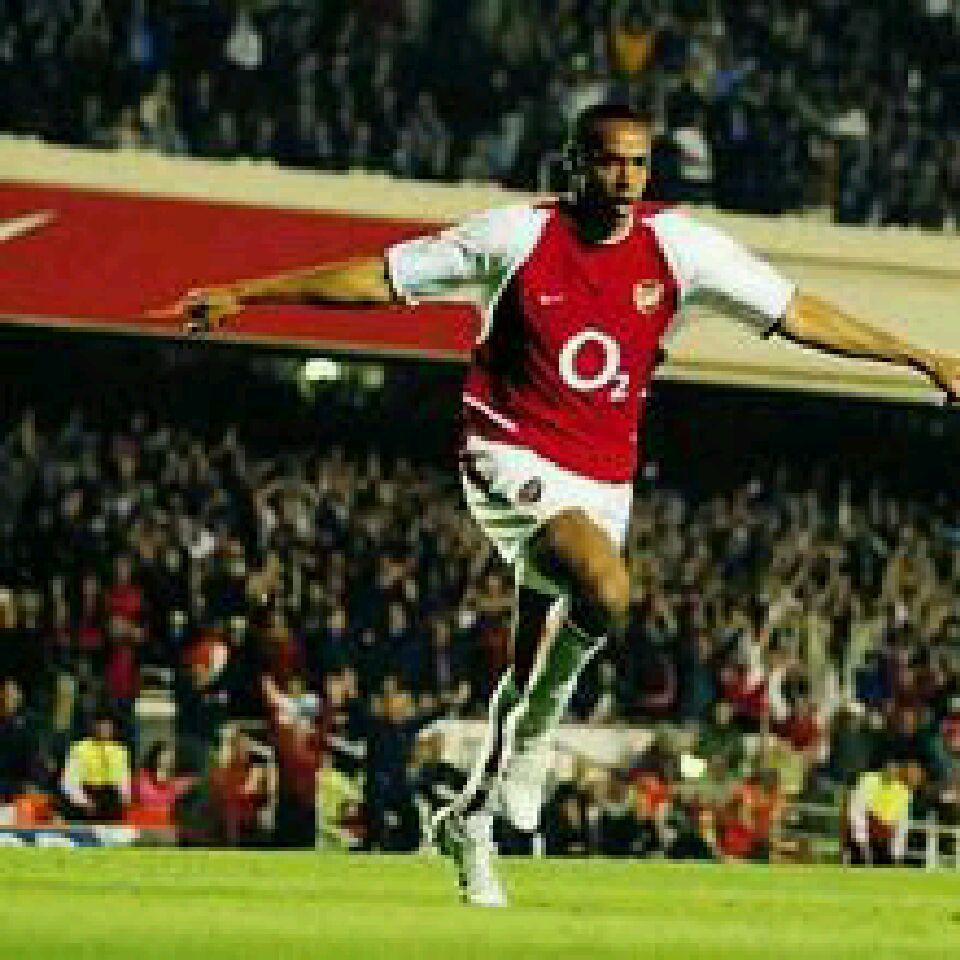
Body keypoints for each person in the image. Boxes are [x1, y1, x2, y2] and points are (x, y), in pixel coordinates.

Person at [155, 102, 960, 906]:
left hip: (604, 479)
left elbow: (798, 312)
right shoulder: (515, 237)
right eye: (609, 161)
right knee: (607, 588)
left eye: (639, 164)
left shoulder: (681, 248)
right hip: (506, 453)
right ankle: (537, 739)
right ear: (573, 165)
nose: (625, 178)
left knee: (534, 654)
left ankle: (471, 820)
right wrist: (247, 292)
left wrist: (919, 357)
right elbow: (380, 278)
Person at [61, 711, 132, 822]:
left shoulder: (120, 750)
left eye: (109, 725)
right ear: (93, 726)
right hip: (83, 799)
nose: (105, 729)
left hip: (110, 800)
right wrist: (84, 802)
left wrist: (125, 797)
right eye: (101, 724)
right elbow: (69, 783)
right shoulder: (79, 748)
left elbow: (123, 780)